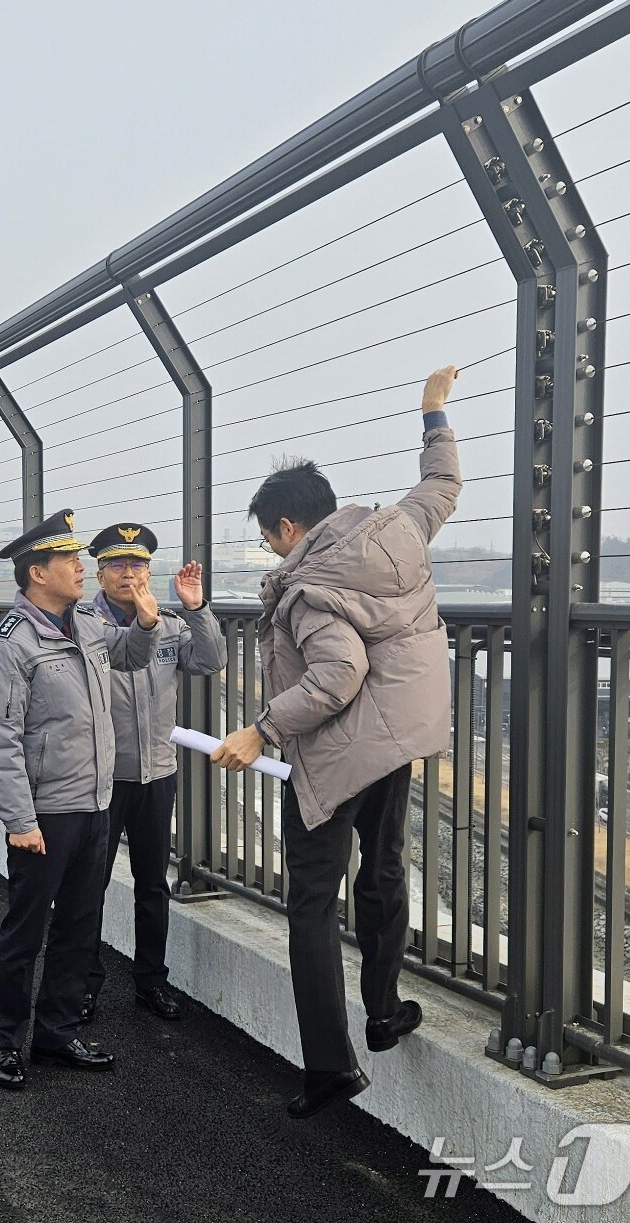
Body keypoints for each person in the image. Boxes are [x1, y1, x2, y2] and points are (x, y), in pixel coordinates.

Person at [210, 365, 462, 1120]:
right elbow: (443, 484)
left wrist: (259, 730)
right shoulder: (398, 528)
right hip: (399, 741)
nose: (270, 554)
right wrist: (433, 415)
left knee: (311, 903)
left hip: (337, 752)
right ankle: (382, 1011)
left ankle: (330, 1067)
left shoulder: (309, 584)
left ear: (288, 528)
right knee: (382, 872)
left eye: (267, 540)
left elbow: (338, 674)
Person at [0, 509, 164, 1091]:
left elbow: (129, 657)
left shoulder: (83, 625)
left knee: (80, 927)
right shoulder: (11, 643)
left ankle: (56, 1032)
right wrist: (19, 818)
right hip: (45, 813)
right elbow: (0, 738)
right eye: (70, 560)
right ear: (38, 572)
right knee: (24, 932)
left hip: (95, 805)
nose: (81, 567)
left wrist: (149, 623)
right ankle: (5, 1042)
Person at [82, 524, 226, 1024]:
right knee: (89, 885)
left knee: (152, 884)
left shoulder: (169, 622)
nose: (129, 574)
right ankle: (84, 984)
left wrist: (196, 607)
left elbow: (210, 661)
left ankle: (151, 981)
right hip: (100, 775)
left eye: (138, 565)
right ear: (99, 572)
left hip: (156, 773)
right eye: (118, 565)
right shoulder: (83, 623)